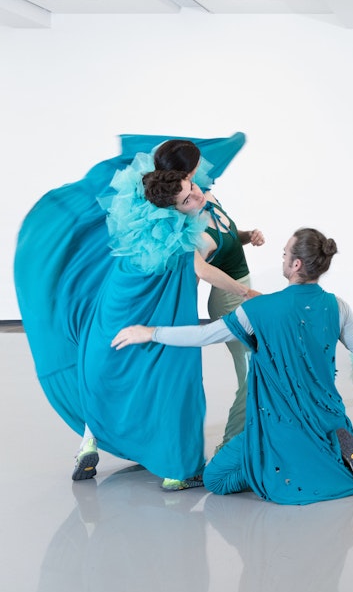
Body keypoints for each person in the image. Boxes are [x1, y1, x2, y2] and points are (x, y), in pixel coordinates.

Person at [15, 133, 252, 491]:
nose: (199, 184)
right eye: (191, 182)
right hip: (149, 301)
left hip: (118, 294)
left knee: (105, 362)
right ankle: (177, 468)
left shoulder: (140, 195)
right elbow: (200, 267)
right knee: (171, 373)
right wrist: (248, 291)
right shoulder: (175, 224)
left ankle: (90, 441)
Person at [112, 228, 353, 505]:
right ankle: (332, 448)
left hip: (279, 425)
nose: (282, 258)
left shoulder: (261, 309)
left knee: (216, 479)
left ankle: (275, 462)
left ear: (296, 265)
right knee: (305, 444)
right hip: (328, 416)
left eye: (285, 254)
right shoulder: (338, 306)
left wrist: (151, 333)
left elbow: (204, 335)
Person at [153, 140, 265, 449]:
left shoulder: (207, 197)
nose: (196, 194)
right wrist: (246, 291)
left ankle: (250, 437)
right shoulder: (194, 233)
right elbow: (201, 270)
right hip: (230, 300)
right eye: (187, 197)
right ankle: (230, 445)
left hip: (243, 292)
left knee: (258, 369)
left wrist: (247, 236)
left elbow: (229, 237)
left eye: (193, 186)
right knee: (251, 374)